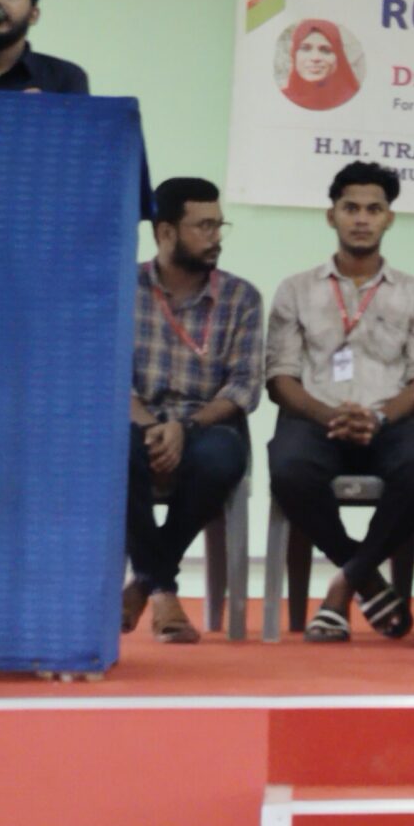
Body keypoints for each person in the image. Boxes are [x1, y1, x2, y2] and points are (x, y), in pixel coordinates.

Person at [265, 161, 414, 642]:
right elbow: (279, 378)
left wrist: (380, 417)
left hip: (390, 420)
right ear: (332, 216)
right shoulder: (296, 289)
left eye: (373, 209)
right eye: (351, 208)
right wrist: (330, 416)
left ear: (389, 218)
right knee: (289, 469)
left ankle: (344, 585)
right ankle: (367, 578)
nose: (362, 219)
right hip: (316, 418)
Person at [124, 177, 262, 644]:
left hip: (205, 426)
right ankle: (163, 588)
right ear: (165, 232)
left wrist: (182, 428)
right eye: (203, 226)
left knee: (222, 457)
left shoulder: (241, 297)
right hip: (137, 421)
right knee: (115, 453)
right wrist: (153, 427)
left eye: (219, 225)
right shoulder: (123, 287)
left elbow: (243, 387)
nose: (215, 237)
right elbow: (108, 379)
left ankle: (145, 582)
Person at [280, 18, 362, 112]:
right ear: (294, 54)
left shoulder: (354, 100)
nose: (315, 58)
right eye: (305, 49)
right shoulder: (280, 99)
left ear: (338, 57)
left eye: (326, 50)